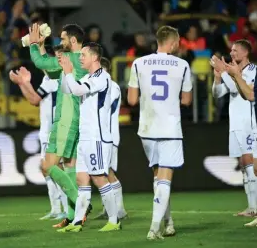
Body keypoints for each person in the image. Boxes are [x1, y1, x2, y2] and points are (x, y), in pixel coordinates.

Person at [17, 23, 91, 228]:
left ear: (73, 41)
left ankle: (81, 203)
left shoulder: (71, 58)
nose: (60, 42)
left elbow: (41, 62)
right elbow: (50, 71)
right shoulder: (80, 61)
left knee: (47, 166)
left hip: (65, 120)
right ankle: (72, 217)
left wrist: (33, 45)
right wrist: (42, 46)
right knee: (69, 168)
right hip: (77, 119)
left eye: (64, 39)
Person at [127, 25, 192, 240]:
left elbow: (132, 100)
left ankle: (168, 221)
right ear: (173, 43)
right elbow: (186, 100)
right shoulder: (182, 65)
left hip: (147, 128)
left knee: (158, 177)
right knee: (165, 177)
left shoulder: (138, 63)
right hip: (170, 127)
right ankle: (154, 228)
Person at [55, 42, 122, 233]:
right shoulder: (87, 76)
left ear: (94, 57)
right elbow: (68, 90)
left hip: (97, 137)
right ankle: (77, 222)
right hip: (85, 137)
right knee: (81, 179)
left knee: (99, 178)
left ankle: (114, 220)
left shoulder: (102, 77)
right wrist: (64, 71)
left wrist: (69, 72)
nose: (80, 58)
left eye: (84, 55)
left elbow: (76, 90)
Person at [10, 44, 68, 220]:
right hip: (47, 130)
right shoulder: (48, 79)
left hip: (54, 130)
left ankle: (66, 208)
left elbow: (34, 99)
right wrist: (24, 83)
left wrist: (23, 83)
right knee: (47, 169)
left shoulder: (55, 79)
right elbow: (34, 99)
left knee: (56, 169)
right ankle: (56, 208)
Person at [210, 39, 257, 227]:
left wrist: (227, 72)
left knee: (250, 163)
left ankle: (255, 208)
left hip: (249, 122)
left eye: (235, 50)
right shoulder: (232, 70)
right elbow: (217, 93)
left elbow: (244, 90)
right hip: (235, 123)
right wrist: (218, 77)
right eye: (231, 50)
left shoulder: (253, 70)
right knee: (243, 164)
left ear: (245, 53)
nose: (232, 53)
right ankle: (251, 206)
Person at [93, 57, 127, 221]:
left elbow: (105, 110)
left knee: (109, 172)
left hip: (110, 136)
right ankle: (110, 208)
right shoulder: (103, 86)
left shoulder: (112, 87)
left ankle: (119, 210)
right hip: (102, 135)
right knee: (103, 172)